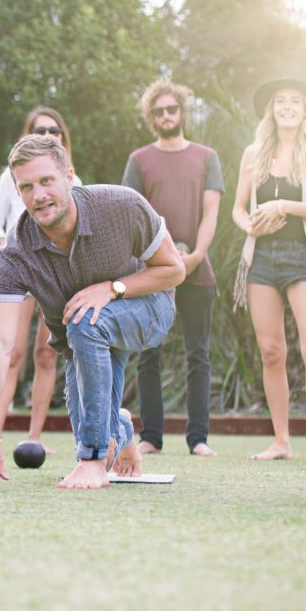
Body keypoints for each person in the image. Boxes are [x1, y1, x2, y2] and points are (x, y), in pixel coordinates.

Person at [0, 135, 185, 492]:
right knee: (95, 421)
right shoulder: (12, 254)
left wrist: (112, 288)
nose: (38, 195)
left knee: (87, 322)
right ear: (17, 193)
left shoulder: (121, 205)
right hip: (81, 339)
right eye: (26, 187)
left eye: (46, 181)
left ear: (68, 176)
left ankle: (93, 461)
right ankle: (119, 429)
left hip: (148, 308)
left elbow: (174, 270)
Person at [232, 78, 306, 463]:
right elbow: (239, 208)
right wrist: (249, 225)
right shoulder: (254, 153)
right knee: (271, 351)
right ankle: (281, 441)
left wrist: (282, 207)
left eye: (295, 101)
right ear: (272, 109)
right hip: (261, 259)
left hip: (303, 256)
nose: (288, 106)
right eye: (281, 101)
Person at [122, 77, 224, 458]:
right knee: (149, 352)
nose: (166, 115)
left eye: (172, 109)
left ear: (182, 111)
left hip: (197, 267)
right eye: (159, 110)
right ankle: (151, 437)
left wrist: (196, 254)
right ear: (152, 117)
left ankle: (199, 439)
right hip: (153, 269)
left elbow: (212, 211)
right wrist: (158, 258)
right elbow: (132, 214)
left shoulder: (206, 156)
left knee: (198, 354)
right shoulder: (139, 160)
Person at [0, 107, 83, 454]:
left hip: (56, 276)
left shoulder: (74, 182)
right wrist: (10, 253)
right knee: (11, 352)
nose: (48, 135)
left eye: (54, 130)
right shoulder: (9, 178)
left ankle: (34, 438)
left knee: (46, 354)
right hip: (19, 274)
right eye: (40, 130)